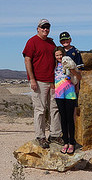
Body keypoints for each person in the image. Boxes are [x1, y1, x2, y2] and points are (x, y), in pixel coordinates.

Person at [22, 18, 62, 149]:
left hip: (52, 81)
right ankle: (40, 136)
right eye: (43, 27)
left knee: (54, 108)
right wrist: (32, 79)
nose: (45, 29)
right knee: (40, 109)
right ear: (38, 29)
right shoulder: (32, 42)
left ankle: (55, 134)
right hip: (39, 81)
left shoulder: (51, 43)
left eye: (47, 27)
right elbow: (27, 60)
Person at [54, 47, 80, 154]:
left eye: (60, 54)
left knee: (70, 119)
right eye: (57, 55)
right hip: (59, 95)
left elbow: (79, 77)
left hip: (70, 94)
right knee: (63, 119)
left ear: (63, 54)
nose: (59, 57)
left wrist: (73, 71)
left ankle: (72, 142)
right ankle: (65, 142)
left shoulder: (70, 63)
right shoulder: (54, 66)